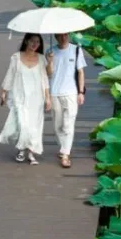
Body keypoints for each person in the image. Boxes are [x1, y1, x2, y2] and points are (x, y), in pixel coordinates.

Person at [0, 33, 51, 165]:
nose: (35, 44)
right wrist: (4, 92)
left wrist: (48, 98)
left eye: (37, 42)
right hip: (19, 94)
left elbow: (46, 78)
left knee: (35, 125)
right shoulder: (16, 57)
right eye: (32, 41)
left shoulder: (41, 58)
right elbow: (10, 74)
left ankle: (31, 152)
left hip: (36, 97)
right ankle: (21, 149)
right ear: (26, 41)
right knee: (22, 122)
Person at [45, 33, 87, 169]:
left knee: (68, 124)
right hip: (55, 92)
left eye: (65, 35)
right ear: (56, 37)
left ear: (68, 35)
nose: (63, 38)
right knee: (58, 126)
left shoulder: (76, 50)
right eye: (60, 36)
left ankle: (65, 155)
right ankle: (63, 148)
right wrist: (50, 61)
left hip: (71, 92)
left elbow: (80, 72)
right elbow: (48, 74)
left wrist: (81, 92)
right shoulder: (50, 51)